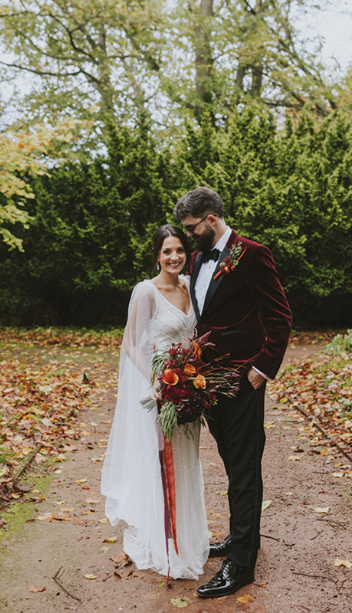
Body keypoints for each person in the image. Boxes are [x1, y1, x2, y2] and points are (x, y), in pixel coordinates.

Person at [173, 186, 293, 599]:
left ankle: (241, 564)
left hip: (243, 380)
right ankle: (244, 537)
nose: (189, 236)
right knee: (231, 461)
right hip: (209, 381)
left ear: (211, 219)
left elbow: (280, 317)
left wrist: (261, 369)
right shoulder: (199, 257)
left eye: (192, 229)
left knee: (244, 469)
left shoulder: (253, 254)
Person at [101, 224, 209, 579]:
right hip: (161, 389)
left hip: (189, 387)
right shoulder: (146, 292)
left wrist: (194, 378)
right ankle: (166, 543)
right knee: (164, 460)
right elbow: (131, 343)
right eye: (167, 252)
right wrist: (156, 380)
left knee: (187, 459)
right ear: (157, 256)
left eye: (179, 249)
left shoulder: (192, 285)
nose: (175, 257)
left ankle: (189, 537)